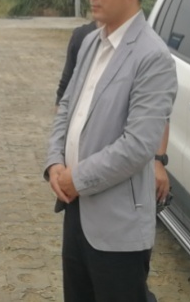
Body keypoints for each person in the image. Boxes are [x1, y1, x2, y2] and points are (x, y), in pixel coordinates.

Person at [44, 0, 177, 302]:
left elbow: (138, 146)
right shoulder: (90, 41)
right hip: (76, 209)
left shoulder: (153, 57)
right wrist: (54, 162)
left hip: (118, 226)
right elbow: (67, 106)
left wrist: (76, 178)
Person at [56, 22, 172, 209]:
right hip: (72, 197)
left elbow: (145, 135)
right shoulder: (86, 39)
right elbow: (65, 101)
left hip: (115, 206)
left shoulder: (151, 53)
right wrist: (55, 160)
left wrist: (158, 161)